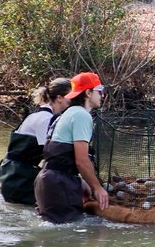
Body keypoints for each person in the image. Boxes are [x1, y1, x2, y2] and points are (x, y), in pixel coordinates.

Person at [34, 71, 110, 224]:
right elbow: (81, 160)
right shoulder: (81, 116)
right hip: (59, 184)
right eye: (99, 91)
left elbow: (59, 159)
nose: (102, 95)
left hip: (47, 181)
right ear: (88, 93)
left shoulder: (67, 113)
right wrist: (97, 188)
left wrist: (81, 182)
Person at [0, 77, 73, 205]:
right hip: (17, 177)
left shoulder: (38, 115)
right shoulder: (45, 119)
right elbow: (48, 153)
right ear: (59, 98)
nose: (73, 100)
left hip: (14, 173)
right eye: (71, 96)